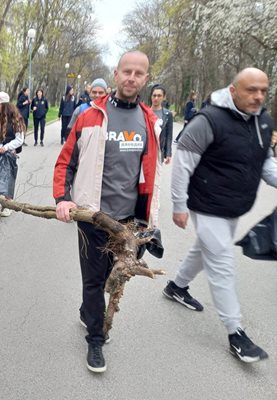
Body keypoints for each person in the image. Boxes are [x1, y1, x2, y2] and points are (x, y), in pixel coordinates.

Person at [53, 51, 161, 373]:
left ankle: (90, 313)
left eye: (138, 73)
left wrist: (150, 221)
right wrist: (62, 197)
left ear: (145, 78)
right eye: (126, 71)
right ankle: (96, 338)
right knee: (93, 278)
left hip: (128, 221)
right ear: (116, 74)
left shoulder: (149, 121)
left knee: (114, 277)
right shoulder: (90, 116)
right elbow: (65, 162)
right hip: (92, 217)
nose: (131, 77)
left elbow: (152, 173)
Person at [164, 67, 277, 363]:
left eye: (263, 90)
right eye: (251, 89)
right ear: (233, 90)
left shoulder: (263, 121)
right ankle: (236, 332)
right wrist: (179, 204)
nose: (258, 96)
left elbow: (264, 164)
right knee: (222, 261)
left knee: (205, 249)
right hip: (207, 204)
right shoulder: (208, 120)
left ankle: (176, 286)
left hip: (234, 205)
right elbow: (183, 164)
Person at [0, 92, 25, 217]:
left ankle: (8, 205)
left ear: (4, 105)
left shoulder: (15, 118)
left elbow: (19, 139)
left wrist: (6, 147)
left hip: (9, 154)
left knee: (8, 178)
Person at [150, 85, 173, 164]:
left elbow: (169, 135)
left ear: (164, 97)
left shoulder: (167, 114)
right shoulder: (145, 113)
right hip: (146, 152)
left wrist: (168, 153)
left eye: (159, 96)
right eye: (154, 95)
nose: (156, 98)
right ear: (151, 97)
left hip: (159, 152)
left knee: (157, 176)